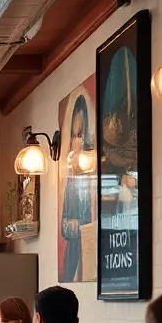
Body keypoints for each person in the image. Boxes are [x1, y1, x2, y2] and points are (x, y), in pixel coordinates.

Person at [60, 94, 94, 281]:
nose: (76, 142)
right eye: (73, 135)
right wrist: (75, 225)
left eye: (80, 135)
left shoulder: (96, 180)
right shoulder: (71, 184)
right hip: (74, 256)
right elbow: (65, 227)